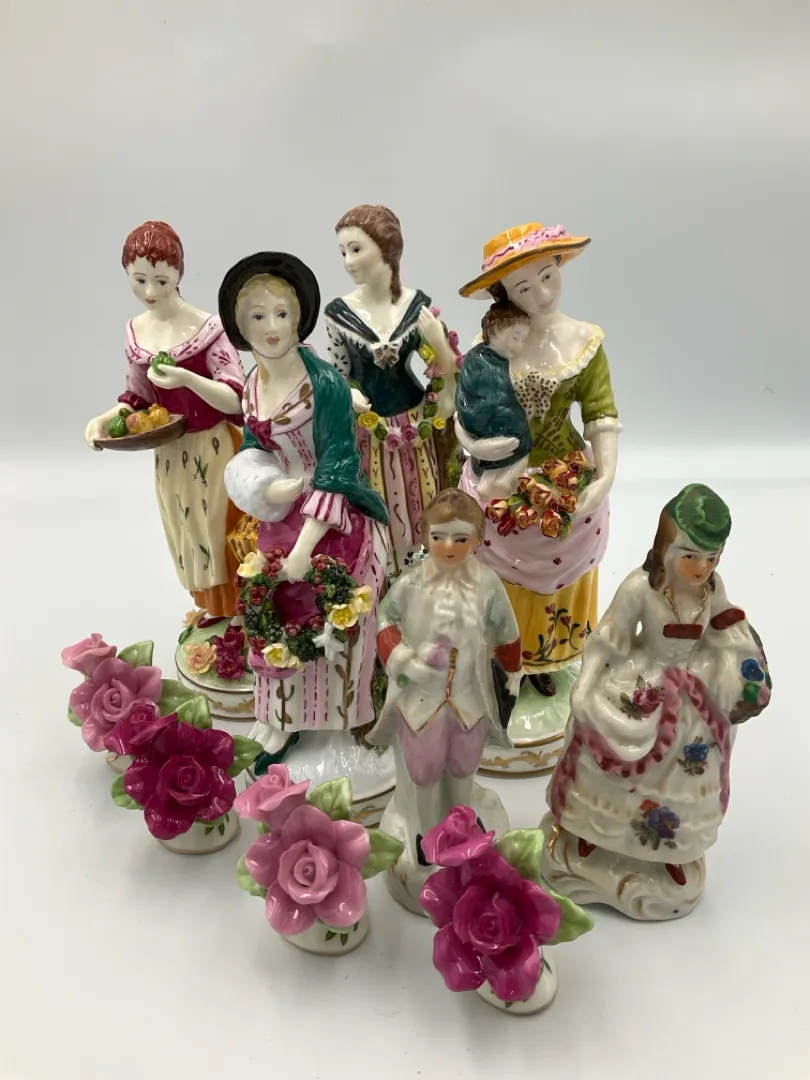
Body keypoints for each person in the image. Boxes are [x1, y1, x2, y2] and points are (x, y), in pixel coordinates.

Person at [541, 484, 772, 920]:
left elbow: (726, 624)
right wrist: (587, 685)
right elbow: (610, 639)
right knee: (607, 753)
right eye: (691, 556)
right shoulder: (640, 588)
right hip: (642, 682)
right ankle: (588, 834)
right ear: (666, 547)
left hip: (691, 693)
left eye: (712, 557)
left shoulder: (711, 589)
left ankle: (669, 852)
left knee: (690, 770)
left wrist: (741, 665)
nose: (702, 568)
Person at [219, 252, 395, 808]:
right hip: (281, 516)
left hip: (332, 522)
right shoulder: (253, 384)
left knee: (332, 620)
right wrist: (263, 485)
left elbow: (339, 468)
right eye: (257, 317)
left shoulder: (326, 387)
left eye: (281, 314)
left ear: (299, 319)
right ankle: (283, 719)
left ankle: (341, 726)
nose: (271, 328)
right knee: (274, 613)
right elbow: (255, 444)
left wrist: (304, 547)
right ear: (240, 327)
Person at [455, 221, 621, 776]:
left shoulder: (584, 341)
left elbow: (601, 415)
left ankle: (549, 663)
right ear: (504, 295)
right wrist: (474, 445)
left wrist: (606, 475)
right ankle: (502, 660)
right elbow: (464, 409)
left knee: (562, 557)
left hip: (562, 476)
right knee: (497, 565)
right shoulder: (489, 348)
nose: (543, 294)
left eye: (549, 277)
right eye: (525, 287)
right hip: (499, 476)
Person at [369, 489, 522, 911]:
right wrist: (403, 658)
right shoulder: (412, 582)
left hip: (469, 699)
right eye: (439, 537)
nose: (449, 547)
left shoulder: (487, 584)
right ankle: (423, 833)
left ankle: (460, 827)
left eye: (460, 538)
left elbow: (507, 633)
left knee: (463, 765)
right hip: (421, 701)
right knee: (423, 770)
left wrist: (511, 674)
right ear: (425, 537)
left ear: (478, 539)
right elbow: (385, 620)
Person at [84, 220, 245, 617]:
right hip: (170, 455)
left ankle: (239, 612)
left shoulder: (209, 328)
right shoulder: (135, 331)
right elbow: (138, 399)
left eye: (161, 280)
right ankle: (212, 611)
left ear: (178, 273)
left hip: (213, 447)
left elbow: (235, 398)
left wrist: (187, 378)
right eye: (139, 280)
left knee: (216, 527)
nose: (150, 292)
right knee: (185, 532)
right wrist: (105, 419)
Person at [324, 204, 461, 576]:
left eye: (356, 249)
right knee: (378, 506)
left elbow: (447, 371)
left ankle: (428, 576)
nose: (348, 261)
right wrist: (347, 393)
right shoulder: (338, 314)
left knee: (423, 499)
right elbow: (337, 374)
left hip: (415, 427)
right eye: (343, 252)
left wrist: (438, 342)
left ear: (386, 248)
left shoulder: (416, 307)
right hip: (370, 431)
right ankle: (382, 582)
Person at [455, 300, 532, 501]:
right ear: (496, 330)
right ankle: (504, 482)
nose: (519, 345)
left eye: (523, 340)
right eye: (516, 337)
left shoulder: (478, 356)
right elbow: (495, 399)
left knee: (506, 449)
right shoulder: (490, 364)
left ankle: (491, 484)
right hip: (487, 422)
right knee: (523, 441)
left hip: (477, 420)